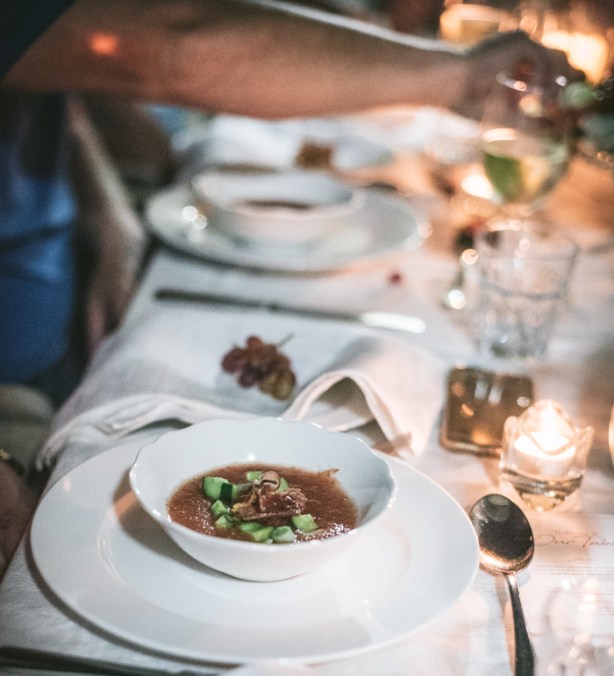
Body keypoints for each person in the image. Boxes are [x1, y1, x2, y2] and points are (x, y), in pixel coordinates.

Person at [0, 0, 581, 581]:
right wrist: (464, 75)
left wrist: (104, 212)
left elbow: (49, 84)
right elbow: (174, 46)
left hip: (55, 318)